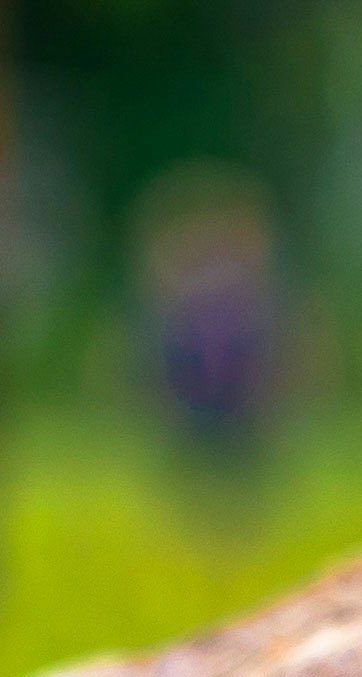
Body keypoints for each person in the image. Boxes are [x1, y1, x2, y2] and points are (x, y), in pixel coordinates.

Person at [132, 164, 282, 521]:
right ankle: (203, 514)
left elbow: (267, 343)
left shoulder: (245, 291)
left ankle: (232, 517)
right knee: (200, 460)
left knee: (238, 461)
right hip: (198, 385)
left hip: (233, 387)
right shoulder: (184, 295)